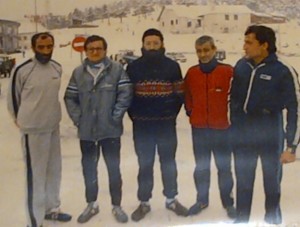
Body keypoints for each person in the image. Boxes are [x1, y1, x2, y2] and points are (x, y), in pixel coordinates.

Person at [230, 25, 300, 224]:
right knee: (243, 183)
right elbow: (233, 101)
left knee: (272, 186)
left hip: (270, 135)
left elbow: (296, 109)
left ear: (264, 45)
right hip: (243, 136)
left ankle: (272, 221)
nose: (244, 47)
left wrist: (291, 146)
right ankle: (242, 221)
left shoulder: (283, 70)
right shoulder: (241, 66)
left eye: (249, 42)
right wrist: (233, 129)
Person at [64, 35, 132, 224]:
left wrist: (115, 116)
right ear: (86, 51)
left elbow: (125, 94)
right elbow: (70, 98)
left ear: (105, 50)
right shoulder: (78, 72)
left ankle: (116, 206)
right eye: (91, 48)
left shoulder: (116, 70)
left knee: (113, 169)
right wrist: (79, 119)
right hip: (87, 133)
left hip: (110, 131)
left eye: (99, 48)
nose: (95, 52)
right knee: (89, 170)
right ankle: (91, 204)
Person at [7, 32, 72, 227]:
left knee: (54, 171)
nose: (46, 50)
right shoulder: (22, 70)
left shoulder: (57, 68)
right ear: (34, 48)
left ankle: (51, 209)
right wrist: (23, 121)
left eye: (49, 46)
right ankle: (34, 220)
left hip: (52, 127)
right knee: (35, 176)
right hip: (33, 130)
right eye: (41, 47)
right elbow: (13, 100)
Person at [126, 28, 188, 222]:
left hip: (166, 125)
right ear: (143, 45)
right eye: (148, 43)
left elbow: (179, 94)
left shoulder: (172, 66)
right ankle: (144, 202)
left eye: (155, 43)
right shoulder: (133, 67)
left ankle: (171, 199)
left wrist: (169, 114)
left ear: (162, 44)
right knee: (145, 165)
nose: (152, 46)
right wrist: (136, 116)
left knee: (168, 163)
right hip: (142, 126)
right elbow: (128, 96)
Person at [184, 35, 236, 218]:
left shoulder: (227, 71)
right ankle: (202, 200)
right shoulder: (191, 72)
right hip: (199, 129)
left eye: (206, 50)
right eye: (199, 51)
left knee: (224, 167)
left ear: (214, 50)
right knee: (201, 167)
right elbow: (187, 95)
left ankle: (228, 202)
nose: (203, 54)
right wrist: (191, 111)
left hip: (222, 128)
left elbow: (235, 96)